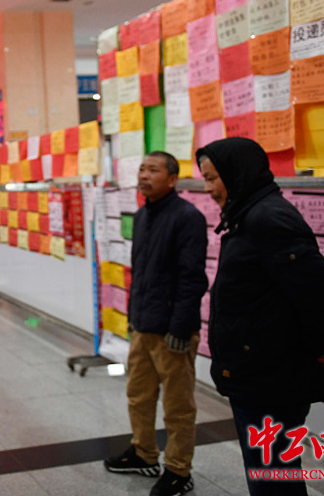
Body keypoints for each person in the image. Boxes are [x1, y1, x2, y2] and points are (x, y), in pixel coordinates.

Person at [196, 138, 324, 496]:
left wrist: (316, 348)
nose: (208, 188)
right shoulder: (247, 215)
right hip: (256, 371)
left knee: (272, 477)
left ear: (237, 174)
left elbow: (321, 292)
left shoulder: (268, 219)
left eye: (212, 178)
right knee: (270, 473)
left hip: (270, 377)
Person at [104, 152, 208, 496]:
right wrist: (133, 319)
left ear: (173, 179)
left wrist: (181, 328)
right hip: (143, 325)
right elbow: (141, 273)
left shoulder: (187, 217)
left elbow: (192, 279)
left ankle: (178, 470)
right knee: (138, 395)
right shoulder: (143, 214)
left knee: (178, 406)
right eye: (141, 169)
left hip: (171, 331)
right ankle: (144, 453)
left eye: (153, 170)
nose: (144, 176)